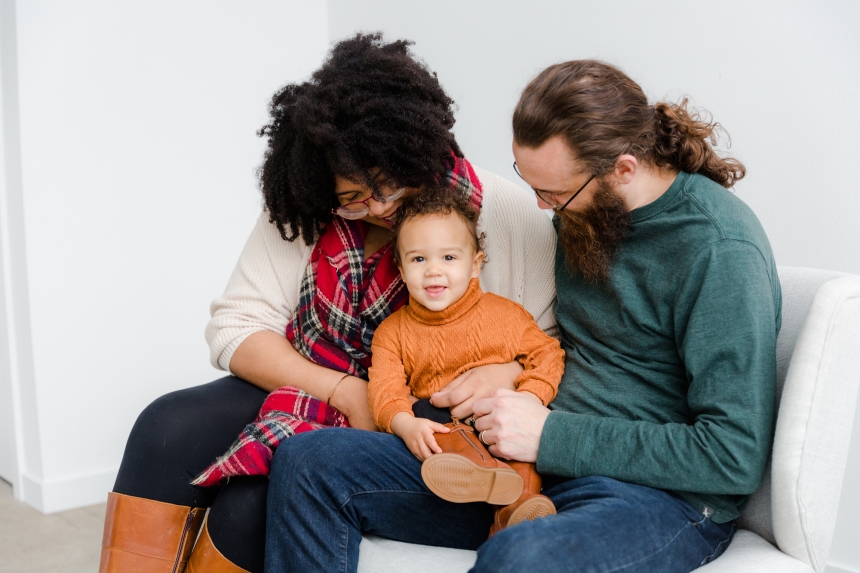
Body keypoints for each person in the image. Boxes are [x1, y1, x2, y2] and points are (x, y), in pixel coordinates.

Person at [264, 60, 781, 573]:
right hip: (518, 465)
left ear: (624, 168)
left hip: (653, 497)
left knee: (522, 558)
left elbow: (732, 456)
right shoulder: (585, 211)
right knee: (308, 462)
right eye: (529, 183)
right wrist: (509, 374)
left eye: (555, 193)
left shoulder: (720, 251)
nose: (539, 207)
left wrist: (551, 436)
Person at [97, 33, 557, 573]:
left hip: (422, 406)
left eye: (389, 184)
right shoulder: (307, 206)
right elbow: (237, 326)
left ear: (415, 148)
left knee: (249, 503)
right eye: (353, 197)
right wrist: (346, 390)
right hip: (323, 381)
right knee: (164, 427)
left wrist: (505, 370)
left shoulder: (503, 210)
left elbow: (549, 338)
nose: (379, 206)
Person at [368, 190, 564, 533]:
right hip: (446, 427)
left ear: (475, 263)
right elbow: (384, 388)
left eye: (448, 258)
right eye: (418, 260)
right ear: (400, 269)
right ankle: (478, 472)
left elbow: (547, 354)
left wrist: (530, 398)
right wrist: (404, 424)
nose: (433, 272)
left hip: (502, 421)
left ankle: (517, 506)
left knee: (522, 445)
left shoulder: (505, 315)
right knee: (427, 417)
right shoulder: (393, 332)